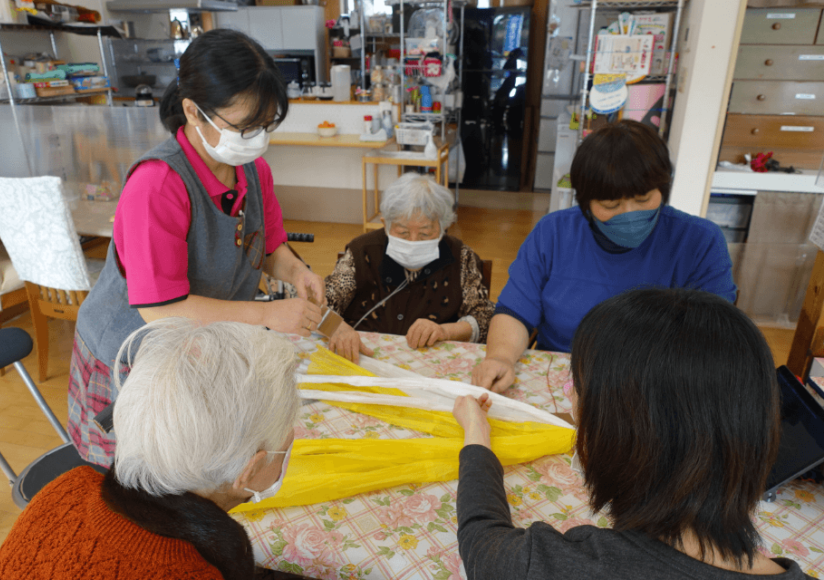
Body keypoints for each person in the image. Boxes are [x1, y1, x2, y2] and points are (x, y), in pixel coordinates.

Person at [69, 29, 324, 466]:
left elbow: (268, 246)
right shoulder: (158, 184)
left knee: (194, 461)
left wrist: (297, 273)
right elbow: (161, 310)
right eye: (245, 127)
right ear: (193, 111)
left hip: (198, 343)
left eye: (266, 126)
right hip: (132, 355)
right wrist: (267, 315)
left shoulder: (252, 171)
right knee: (138, 473)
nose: (257, 138)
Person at [453, 288, 813, 580]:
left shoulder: (563, 565)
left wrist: (476, 438)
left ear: (619, 437)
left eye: (577, 394)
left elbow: (482, 543)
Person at [0, 319, 299, 579]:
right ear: (250, 470)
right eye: (286, 446)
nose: (290, 449)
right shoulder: (191, 573)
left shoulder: (66, 489)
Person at [472, 120, 737, 392]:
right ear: (585, 202)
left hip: (656, 383)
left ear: (663, 189)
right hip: (561, 379)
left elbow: (711, 338)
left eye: (644, 199)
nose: (629, 214)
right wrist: (500, 357)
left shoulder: (699, 241)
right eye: (611, 205)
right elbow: (516, 311)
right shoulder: (553, 233)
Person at [325, 173, 494, 362]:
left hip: (432, 366)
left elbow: (485, 317)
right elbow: (320, 303)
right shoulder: (362, 252)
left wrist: (445, 331)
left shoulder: (460, 257)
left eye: (425, 233)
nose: (413, 241)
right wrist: (337, 326)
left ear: (443, 226)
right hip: (363, 360)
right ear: (385, 224)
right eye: (403, 232)